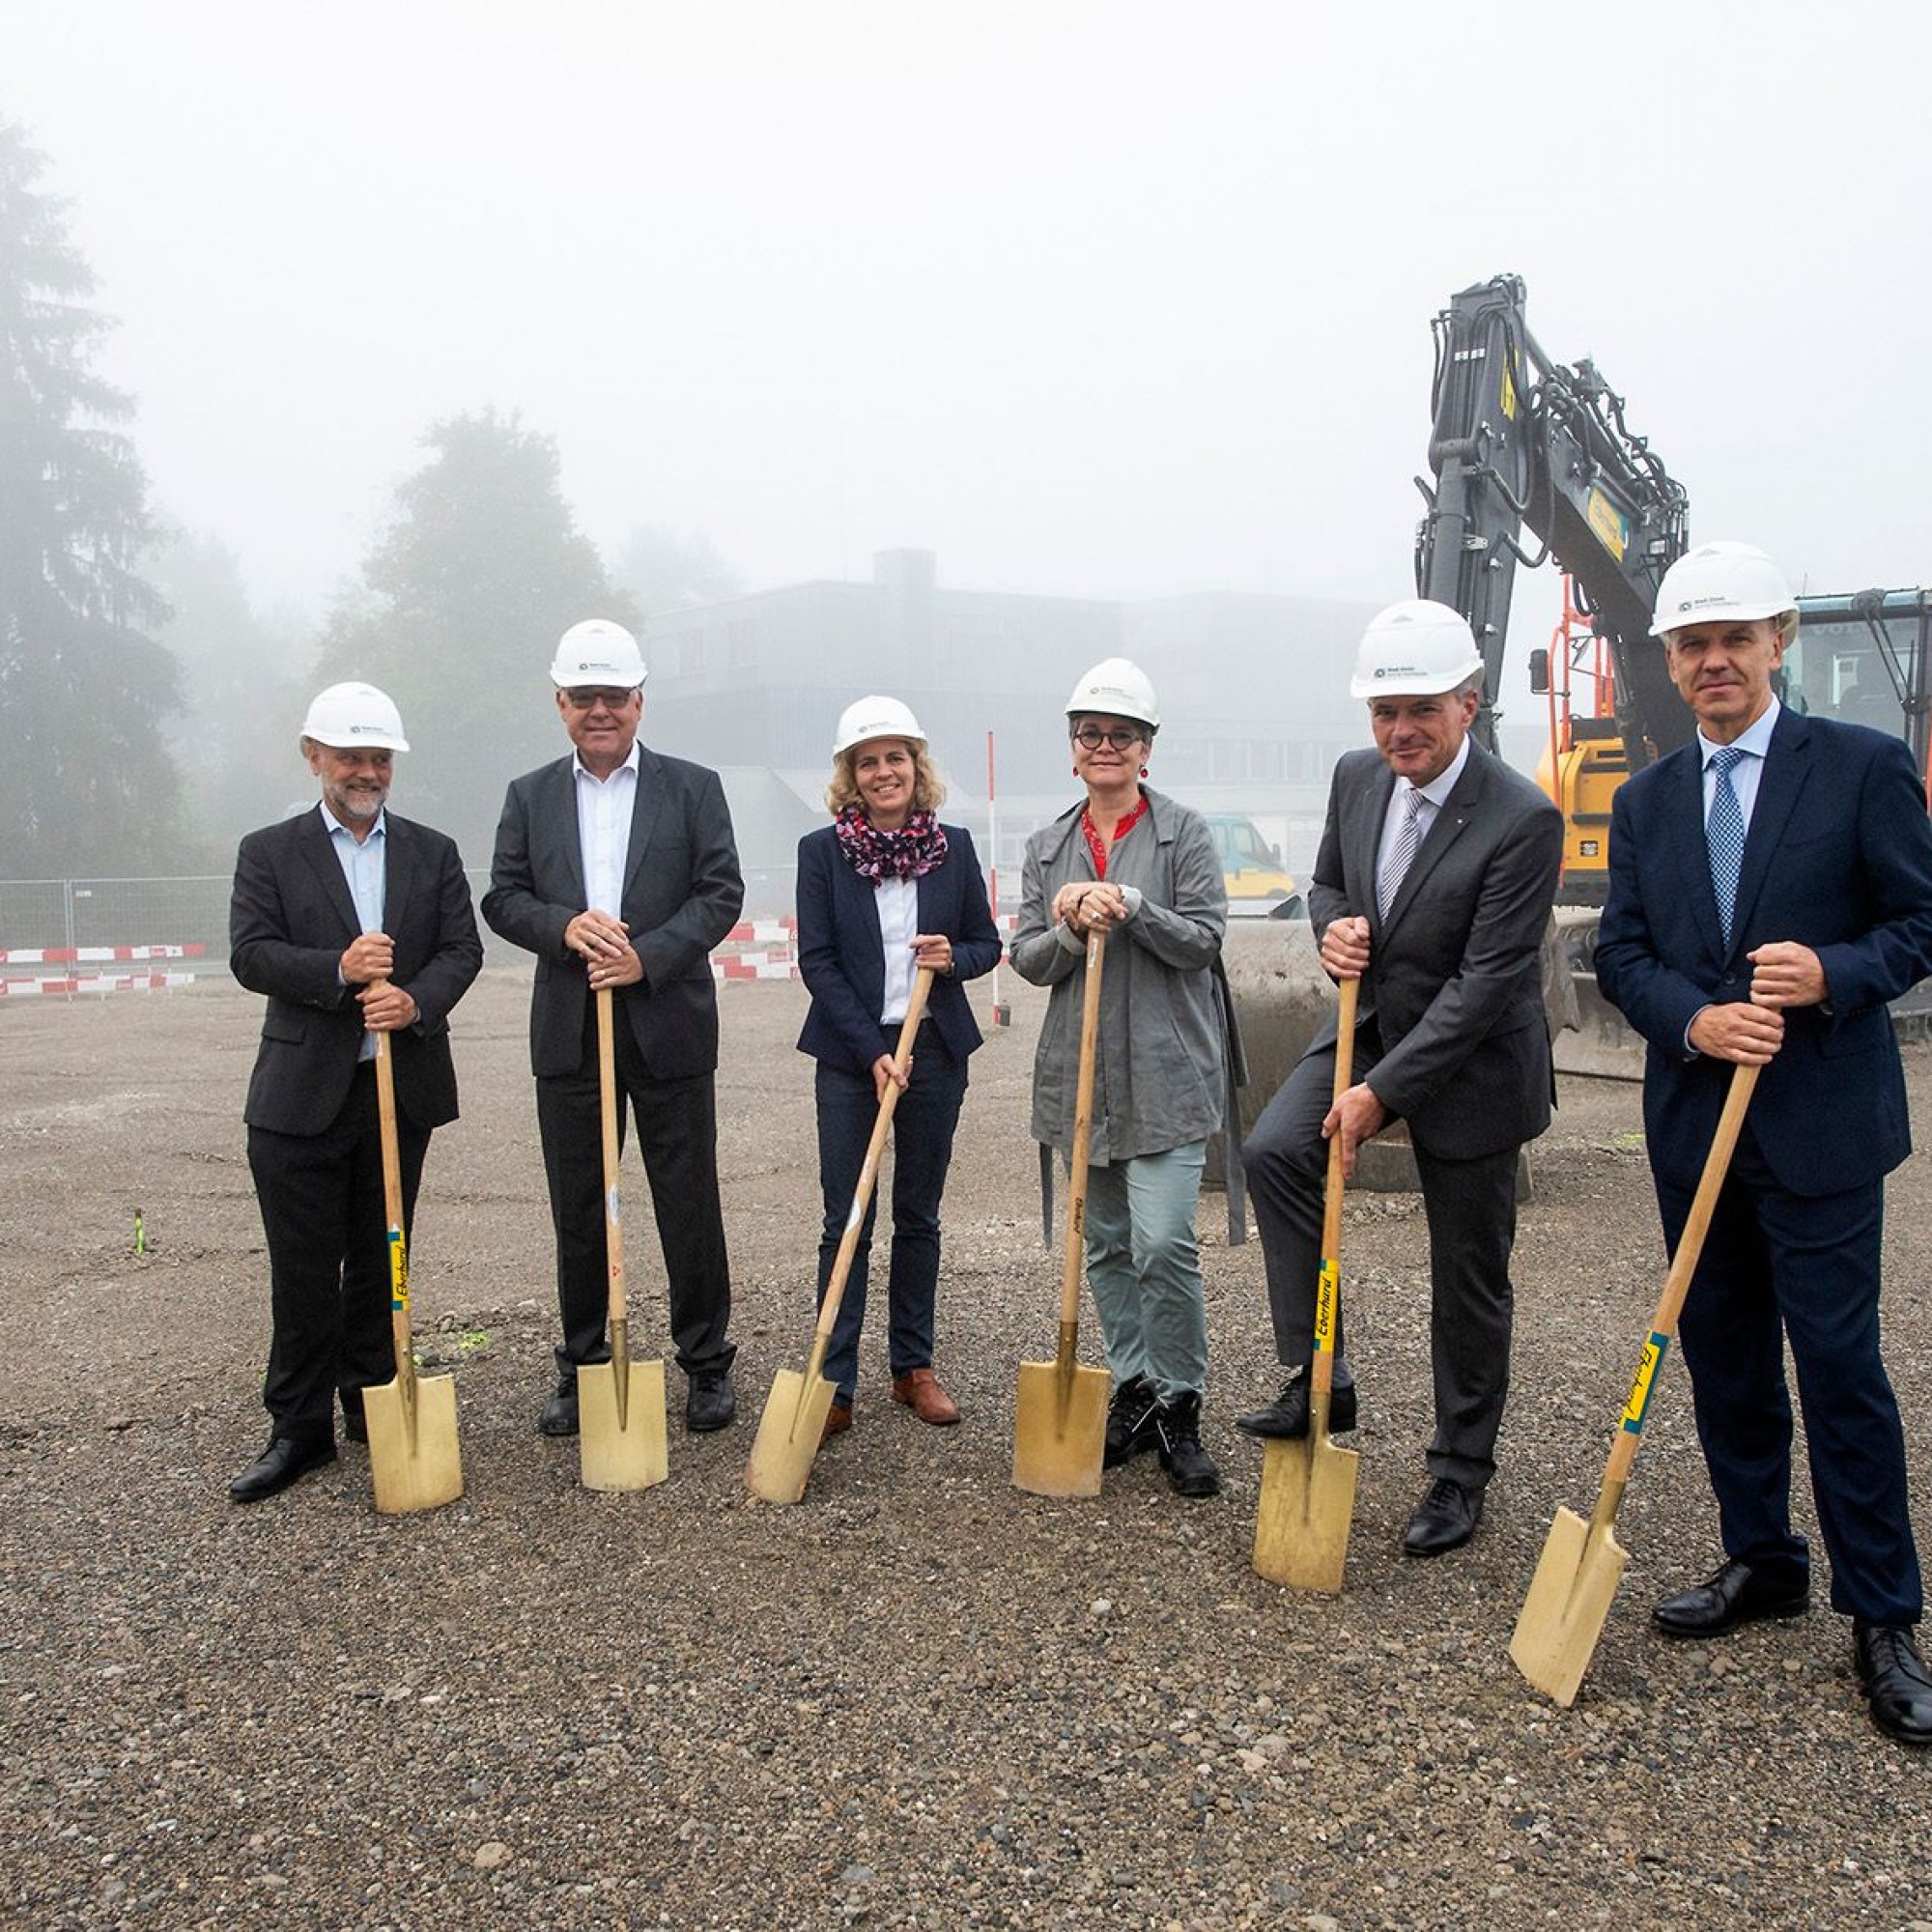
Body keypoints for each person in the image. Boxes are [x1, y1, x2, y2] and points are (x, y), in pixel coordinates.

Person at [1594, 539, 1932, 1747]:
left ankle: (1882, 1615)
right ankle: (1761, 1558)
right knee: (1724, 1360)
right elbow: (1619, 953)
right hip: (1696, 1129)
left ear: (1776, 641)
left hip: (1820, 1131)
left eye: (1733, 637)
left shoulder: (1860, 767)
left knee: (1839, 1372)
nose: (1712, 661)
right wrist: (1691, 1014)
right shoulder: (1642, 801)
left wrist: (1831, 971)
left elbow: (1916, 922)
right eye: (1691, 643)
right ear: (1670, 661)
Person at [1237, 601, 1563, 1557]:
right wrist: (1330, 924)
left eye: (1419, 708)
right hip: (1372, 1023)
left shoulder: (1522, 816)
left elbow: (1481, 987)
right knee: (1274, 1151)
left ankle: (1459, 1470)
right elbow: (1331, 883)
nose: (1397, 732)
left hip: (1474, 1057)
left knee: (1466, 1272)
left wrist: (1381, 1097)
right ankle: (1318, 1369)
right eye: (1381, 711)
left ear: (1468, 702)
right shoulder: (1356, 777)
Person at [482, 619, 744, 1436]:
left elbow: (719, 892)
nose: (600, 711)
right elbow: (503, 897)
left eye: (614, 697)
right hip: (569, 1029)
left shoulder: (693, 788)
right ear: (560, 703)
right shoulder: (530, 795)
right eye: (583, 697)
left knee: (688, 1200)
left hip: (668, 1024)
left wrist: (649, 956)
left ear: (639, 702)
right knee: (579, 1205)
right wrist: (563, 927)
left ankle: (705, 1364)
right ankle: (584, 1362)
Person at [227, 682, 483, 1503]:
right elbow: (252, 954)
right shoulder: (270, 851)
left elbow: (460, 949)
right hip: (300, 1098)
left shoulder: (431, 850)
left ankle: (373, 1397)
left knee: (385, 1259)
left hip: (397, 1088)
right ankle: (298, 1429)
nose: (367, 771)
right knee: (304, 1270)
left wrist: (416, 1002)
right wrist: (337, 971)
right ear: (315, 758)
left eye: (380, 758)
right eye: (351, 756)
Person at [1009, 658, 1237, 1499]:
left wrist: (1134, 908)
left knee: (1164, 1240)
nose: (1105, 747)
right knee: (1103, 1242)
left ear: (1146, 749)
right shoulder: (1046, 846)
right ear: (1074, 751)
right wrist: (1069, 925)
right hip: (1082, 1080)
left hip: (1168, 1072)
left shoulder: (1185, 834)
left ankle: (1181, 1401)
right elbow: (1028, 960)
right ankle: (1134, 1384)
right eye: (1090, 734)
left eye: (1122, 735)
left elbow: (1206, 940)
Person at [795, 696, 1004, 1440]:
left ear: (917, 766)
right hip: (853, 1057)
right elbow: (816, 961)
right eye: (868, 761)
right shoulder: (821, 853)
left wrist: (954, 958)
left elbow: (986, 944)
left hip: (936, 1049)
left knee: (918, 1215)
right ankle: (834, 1379)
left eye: (896, 757)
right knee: (845, 1216)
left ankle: (912, 1367)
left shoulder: (952, 846)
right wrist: (874, 1052)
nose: (885, 772)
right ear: (850, 776)